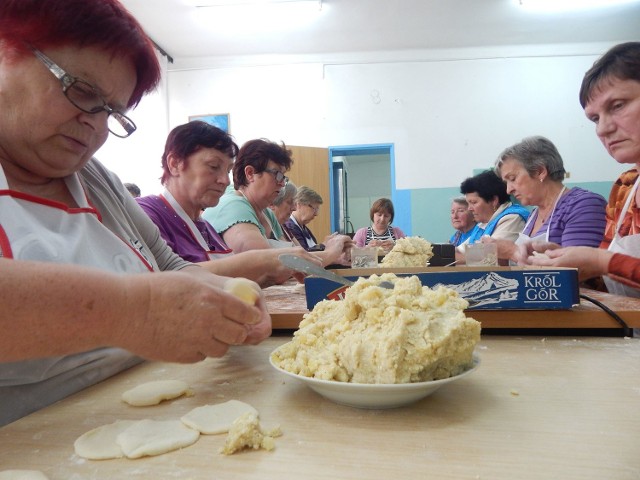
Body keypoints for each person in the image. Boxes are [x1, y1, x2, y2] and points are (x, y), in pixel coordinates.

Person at [0, 0, 269, 426]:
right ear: (5, 52)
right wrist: (130, 312)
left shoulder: (95, 180)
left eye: (112, 111)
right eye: (82, 91)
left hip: (143, 409)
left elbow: (170, 267)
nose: (94, 123)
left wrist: (229, 291)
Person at [136, 121, 319, 287]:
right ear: (175, 164)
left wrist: (273, 271)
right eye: (214, 167)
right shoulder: (146, 214)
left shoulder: (205, 228)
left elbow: (227, 282)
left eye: (228, 170)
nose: (224, 180)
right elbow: (159, 282)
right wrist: (262, 261)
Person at [529, 42, 640, 298]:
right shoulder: (625, 186)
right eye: (595, 119)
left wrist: (602, 262)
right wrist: (565, 260)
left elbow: (606, 261)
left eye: (618, 105)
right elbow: (608, 280)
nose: (602, 130)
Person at [203, 138, 351, 265]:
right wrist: (330, 252)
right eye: (277, 175)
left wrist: (335, 253)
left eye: (283, 177)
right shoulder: (232, 205)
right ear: (250, 174)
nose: (282, 183)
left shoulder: (266, 212)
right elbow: (266, 263)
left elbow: (298, 255)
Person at [486, 135, 607, 263]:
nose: (508, 190)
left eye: (512, 179)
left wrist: (512, 252)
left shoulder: (584, 205)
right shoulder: (534, 214)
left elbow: (577, 269)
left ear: (540, 171)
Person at [459, 170, 530, 245]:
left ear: (494, 200)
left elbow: (489, 252)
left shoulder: (512, 219)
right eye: (468, 203)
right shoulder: (482, 224)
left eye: (473, 202)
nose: (469, 208)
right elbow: (462, 251)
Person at [285, 186, 331, 252]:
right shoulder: (290, 227)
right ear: (299, 204)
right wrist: (323, 245)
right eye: (314, 209)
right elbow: (304, 255)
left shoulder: (303, 227)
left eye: (317, 209)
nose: (316, 214)